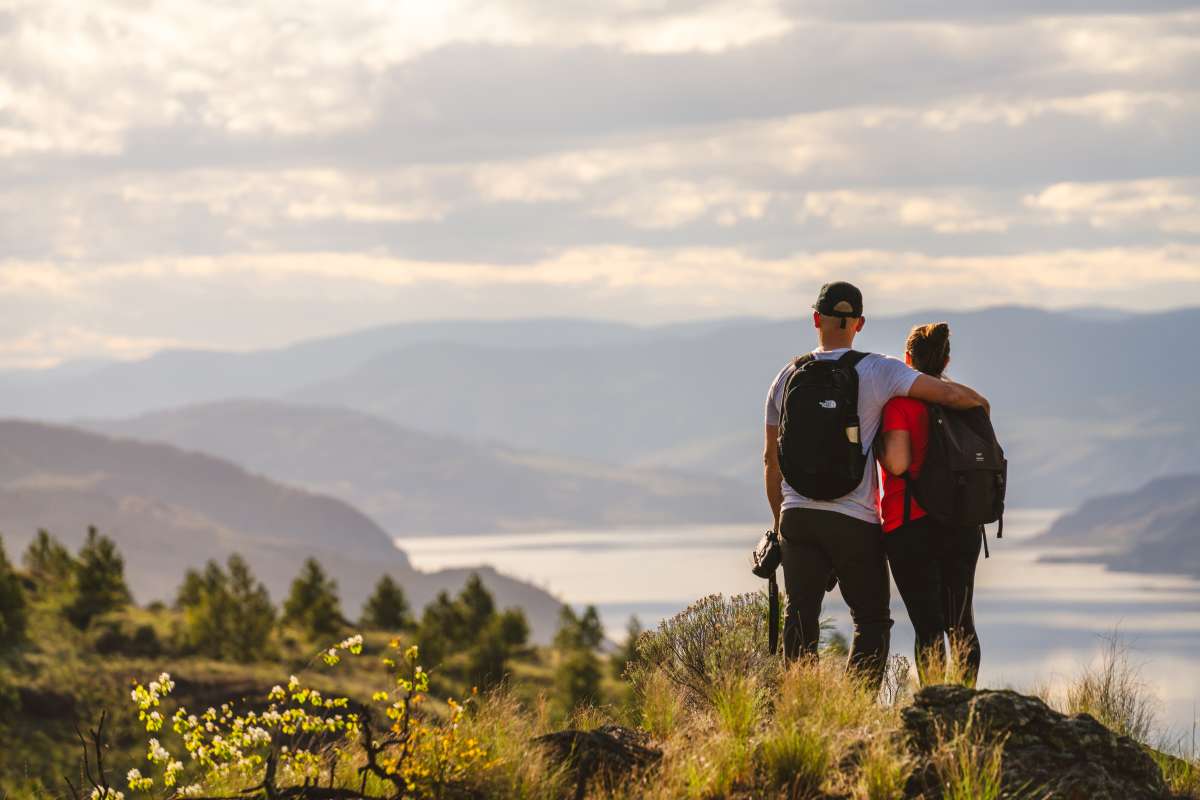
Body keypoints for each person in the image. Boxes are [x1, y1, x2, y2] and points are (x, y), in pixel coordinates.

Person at [763, 282, 988, 690]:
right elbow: (945, 393)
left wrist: (781, 523)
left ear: (816, 319)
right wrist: (980, 405)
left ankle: (800, 709)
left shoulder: (785, 377)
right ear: (859, 324)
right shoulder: (878, 370)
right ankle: (856, 706)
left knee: (800, 615)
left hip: (796, 516)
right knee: (870, 620)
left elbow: (770, 461)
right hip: (855, 518)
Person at [877, 322, 983, 687]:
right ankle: (966, 704)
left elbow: (899, 464)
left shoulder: (900, 406)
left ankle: (937, 708)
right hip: (962, 523)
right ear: (947, 359)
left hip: (910, 526)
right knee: (961, 622)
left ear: (907, 359)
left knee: (928, 627)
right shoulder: (964, 402)